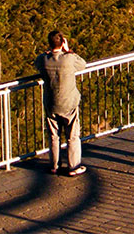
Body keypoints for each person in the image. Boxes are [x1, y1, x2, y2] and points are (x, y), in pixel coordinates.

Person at [33, 31, 87, 176]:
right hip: (69, 103)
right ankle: (73, 167)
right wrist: (68, 50)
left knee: (53, 135)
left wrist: (48, 52)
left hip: (51, 103)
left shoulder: (44, 60)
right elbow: (82, 65)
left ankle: (54, 165)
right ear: (62, 43)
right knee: (72, 135)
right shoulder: (69, 58)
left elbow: (36, 63)